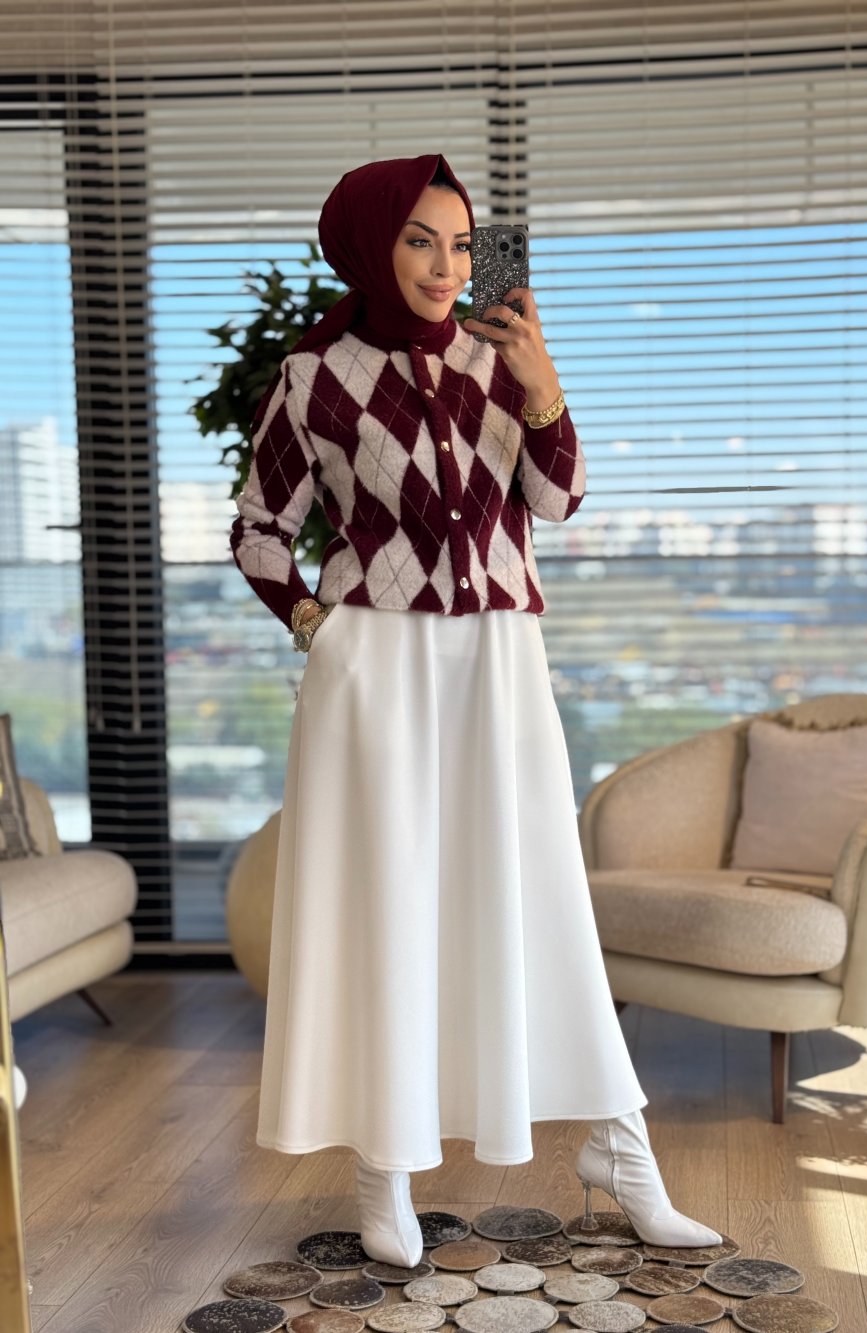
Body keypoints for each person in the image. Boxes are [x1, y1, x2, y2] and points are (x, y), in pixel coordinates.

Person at [229, 153, 721, 1267]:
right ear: (370, 244)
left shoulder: (502, 357)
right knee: (389, 904)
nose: (447, 266)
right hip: (375, 669)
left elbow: (559, 497)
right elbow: (259, 526)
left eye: (461, 243)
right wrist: (316, 624)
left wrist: (541, 383)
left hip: (499, 658)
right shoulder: (315, 375)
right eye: (420, 240)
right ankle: (384, 1171)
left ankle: (621, 1149)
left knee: (539, 894)